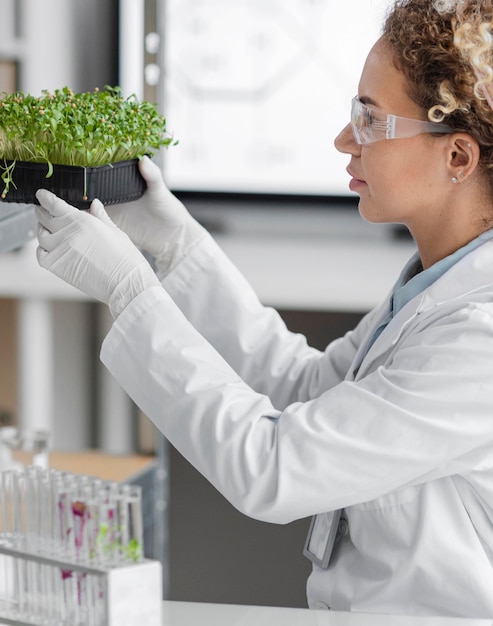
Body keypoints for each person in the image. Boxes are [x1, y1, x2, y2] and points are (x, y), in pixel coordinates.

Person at [35, 0, 493, 617]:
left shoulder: (478, 336)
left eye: (370, 119)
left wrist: (130, 291)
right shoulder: (436, 284)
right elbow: (305, 388)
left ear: (457, 158)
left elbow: (272, 467)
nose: (342, 141)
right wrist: (177, 249)